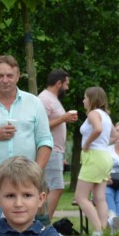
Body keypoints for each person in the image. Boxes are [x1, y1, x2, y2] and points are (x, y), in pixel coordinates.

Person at [0, 55, 53, 223]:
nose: (5, 80)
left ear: (17, 76)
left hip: (26, 177)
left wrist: (36, 171)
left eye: (9, 75)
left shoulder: (34, 103)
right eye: (0, 75)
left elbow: (45, 141)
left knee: (23, 225)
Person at [74, 86, 114, 236]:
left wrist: (87, 144)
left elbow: (97, 129)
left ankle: (98, 231)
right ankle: (103, 234)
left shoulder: (93, 114)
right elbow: (115, 135)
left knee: (80, 197)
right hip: (105, 156)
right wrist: (101, 144)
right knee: (99, 198)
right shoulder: (106, 116)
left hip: (94, 157)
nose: (83, 100)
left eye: (85, 97)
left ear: (92, 99)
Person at [38, 69, 78, 222]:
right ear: (59, 83)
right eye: (66, 84)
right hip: (50, 149)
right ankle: (44, 224)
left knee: (50, 188)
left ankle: (42, 223)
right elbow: (41, 126)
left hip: (56, 152)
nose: (67, 88)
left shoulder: (52, 99)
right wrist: (63, 118)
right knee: (57, 187)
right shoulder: (44, 99)